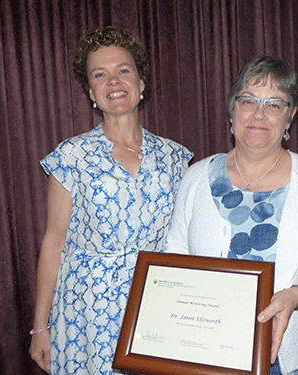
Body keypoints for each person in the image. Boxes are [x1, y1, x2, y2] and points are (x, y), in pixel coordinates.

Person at [165, 56, 298, 374]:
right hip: (207, 350)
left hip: (290, 357)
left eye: (274, 104)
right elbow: (174, 261)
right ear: (232, 111)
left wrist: (296, 295)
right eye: (248, 101)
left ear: (290, 118)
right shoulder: (195, 177)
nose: (259, 114)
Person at [29, 26, 193, 374]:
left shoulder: (176, 158)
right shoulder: (71, 156)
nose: (113, 82)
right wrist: (40, 326)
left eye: (123, 70)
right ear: (91, 91)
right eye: (99, 75)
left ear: (141, 82)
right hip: (87, 310)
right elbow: (54, 240)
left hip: (156, 302)